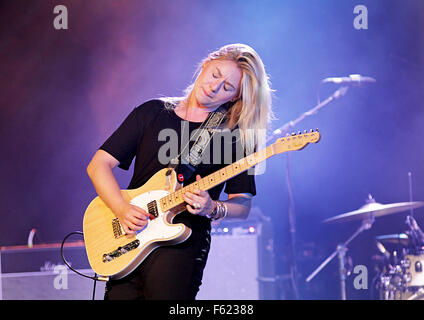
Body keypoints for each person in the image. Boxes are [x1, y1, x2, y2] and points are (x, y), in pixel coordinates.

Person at [86, 43, 274, 300]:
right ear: (206, 63)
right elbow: (98, 165)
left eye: (227, 87)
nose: (214, 86)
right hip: (131, 237)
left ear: (234, 98)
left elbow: (242, 205)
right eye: (216, 74)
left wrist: (212, 208)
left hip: (181, 244)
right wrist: (122, 209)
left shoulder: (235, 136)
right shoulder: (152, 112)